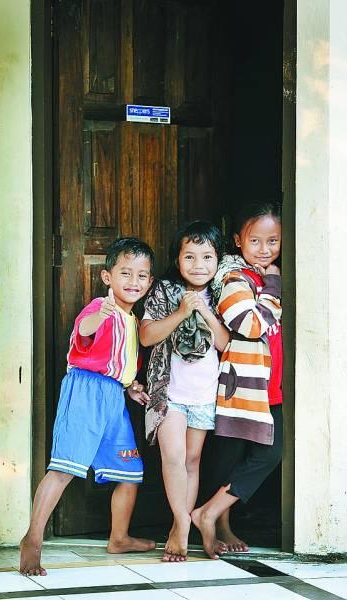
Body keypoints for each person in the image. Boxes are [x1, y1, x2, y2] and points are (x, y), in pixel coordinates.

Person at [20, 237, 155, 576]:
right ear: (108, 277)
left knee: (130, 473)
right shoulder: (100, 306)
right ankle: (33, 539)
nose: (134, 281)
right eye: (125, 273)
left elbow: (117, 363)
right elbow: (84, 330)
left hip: (114, 398)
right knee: (64, 468)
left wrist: (131, 387)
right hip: (85, 393)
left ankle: (119, 538)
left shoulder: (133, 320)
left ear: (150, 281)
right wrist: (102, 314)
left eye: (141, 275)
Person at [191, 202, 283, 558]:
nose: (264, 249)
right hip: (242, 385)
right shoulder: (235, 279)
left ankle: (209, 513)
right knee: (232, 457)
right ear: (238, 240)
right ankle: (215, 519)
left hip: (269, 386)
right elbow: (250, 324)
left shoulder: (269, 276)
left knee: (268, 454)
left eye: (273, 240)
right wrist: (272, 283)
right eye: (255, 240)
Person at [139, 221, 230, 562]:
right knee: (174, 457)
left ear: (218, 259)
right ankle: (181, 523)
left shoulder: (222, 293)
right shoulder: (163, 291)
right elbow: (147, 336)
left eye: (207, 257)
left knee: (192, 461)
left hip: (205, 395)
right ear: (177, 260)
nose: (198, 265)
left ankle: (181, 526)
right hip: (169, 393)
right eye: (189, 256)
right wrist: (181, 312)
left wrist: (204, 310)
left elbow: (225, 344)